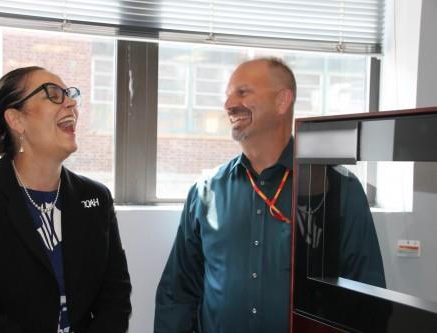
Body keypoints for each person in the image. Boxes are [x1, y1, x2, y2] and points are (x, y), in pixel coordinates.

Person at [154, 58, 385, 332]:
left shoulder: (338, 189)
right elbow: (177, 293)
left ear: (282, 100)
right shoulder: (206, 191)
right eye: (228, 95)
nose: (228, 104)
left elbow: (366, 296)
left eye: (243, 92)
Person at [0, 66, 132, 333]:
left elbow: (116, 295)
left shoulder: (96, 198)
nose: (71, 103)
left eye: (69, 94)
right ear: (16, 120)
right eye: (53, 94)